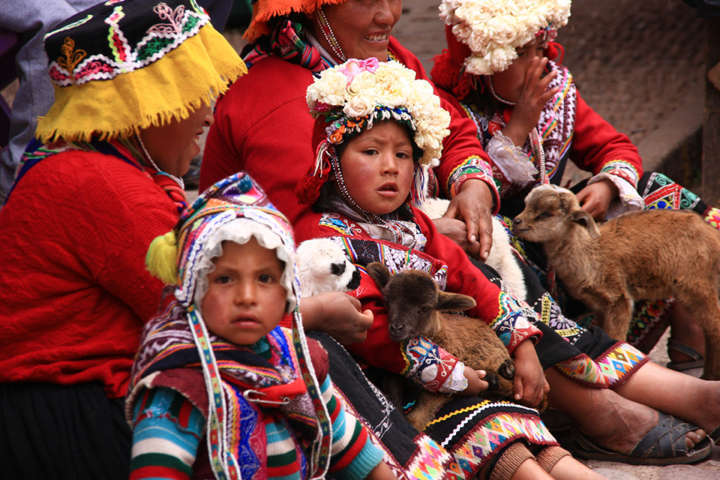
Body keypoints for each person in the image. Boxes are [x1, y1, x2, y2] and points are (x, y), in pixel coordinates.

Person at [430, 0, 720, 464]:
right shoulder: (447, 107)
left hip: (580, 253)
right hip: (524, 268)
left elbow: (614, 145)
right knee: (502, 247)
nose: (541, 60)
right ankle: (598, 382)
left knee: (662, 196)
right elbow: (475, 196)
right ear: (488, 62)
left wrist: (605, 183)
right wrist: (520, 126)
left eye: (542, 45)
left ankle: (693, 343)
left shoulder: (558, 91)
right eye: (524, 52)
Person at [292, 58, 608, 480]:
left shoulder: (416, 226)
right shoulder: (321, 239)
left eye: (403, 154)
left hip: (456, 373)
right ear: (332, 160)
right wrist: (449, 373)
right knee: (497, 436)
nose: (391, 166)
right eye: (371, 151)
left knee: (533, 441)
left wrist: (523, 343)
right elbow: (372, 328)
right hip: (391, 387)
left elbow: (472, 281)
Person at [0, 1, 247, 477]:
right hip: (70, 421)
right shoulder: (106, 188)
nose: (205, 114)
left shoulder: (89, 167)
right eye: (189, 93)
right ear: (145, 106)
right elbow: (212, 314)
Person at [127, 172, 394, 479]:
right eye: (225, 279)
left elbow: (349, 446)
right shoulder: (180, 385)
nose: (247, 297)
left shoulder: (298, 357)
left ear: (286, 292)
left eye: (265, 278)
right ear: (193, 289)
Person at [200, 0, 500, 265]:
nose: (387, 16)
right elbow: (308, 239)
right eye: (364, 1)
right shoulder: (273, 97)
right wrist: (425, 237)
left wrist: (473, 186)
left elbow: (452, 131)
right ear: (314, 6)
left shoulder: (388, 59)